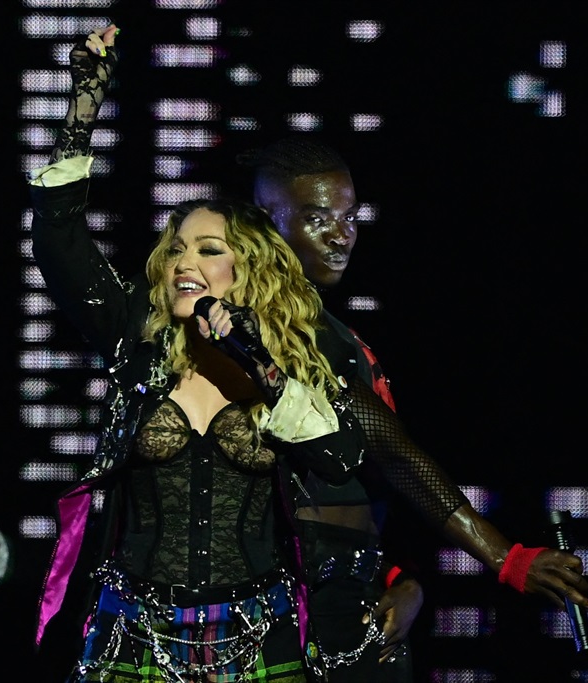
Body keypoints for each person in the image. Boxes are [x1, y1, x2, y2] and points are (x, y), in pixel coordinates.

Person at [0, 24, 588, 683]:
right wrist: (80, 110)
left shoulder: (304, 350)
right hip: (137, 642)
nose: (341, 236)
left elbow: (369, 457)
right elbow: (59, 243)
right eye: (179, 246)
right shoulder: (141, 336)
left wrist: (471, 564)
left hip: (269, 642)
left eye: (210, 248)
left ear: (244, 260)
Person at [236, 136, 425, 682]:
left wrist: (403, 580)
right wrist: (504, 558)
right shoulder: (235, 340)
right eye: (318, 218)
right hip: (274, 622)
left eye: (349, 216)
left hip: (363, 613)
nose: (341, 235)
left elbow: (380, 484)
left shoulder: (349, 345)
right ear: (264, 221)